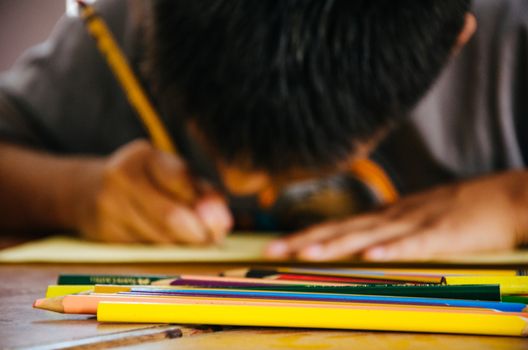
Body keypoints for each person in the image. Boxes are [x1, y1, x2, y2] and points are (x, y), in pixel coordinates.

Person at [0, 0, 525, 261]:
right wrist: (73, 193)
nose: (238, 182)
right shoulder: (123, 26)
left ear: (453, 43)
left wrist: (515, 203)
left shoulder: (513, 37)